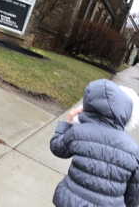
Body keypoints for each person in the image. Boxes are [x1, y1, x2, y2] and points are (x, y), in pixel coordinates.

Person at [50, 79, 139, 207]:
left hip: (71, 201)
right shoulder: (133, 150)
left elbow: (57, 147)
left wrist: (68, 122)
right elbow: (133, 193)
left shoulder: (78, 132)